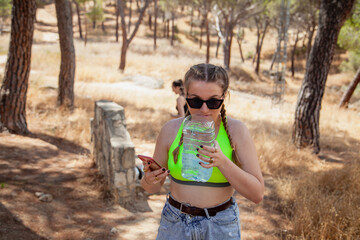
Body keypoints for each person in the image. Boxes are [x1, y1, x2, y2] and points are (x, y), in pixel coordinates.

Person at [141, 63, 264, 240]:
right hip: (175, 224)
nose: (204, 109)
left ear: (224, 98)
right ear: (186, 97)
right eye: (195, 101)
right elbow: (151, 188)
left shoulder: (237, 131)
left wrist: (222, 162)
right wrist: (148, 179)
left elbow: (257, 194)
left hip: (220, 226)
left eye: (213, 102)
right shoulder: (170, 130)